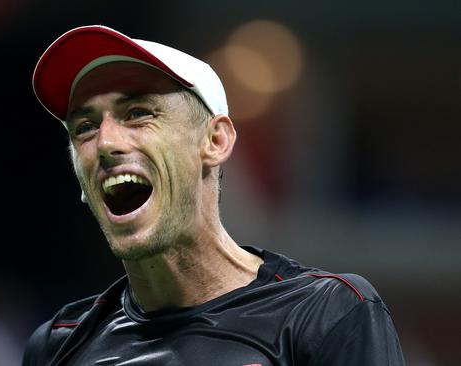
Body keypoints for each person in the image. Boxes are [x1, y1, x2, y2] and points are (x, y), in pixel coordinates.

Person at [24, 25, 405, 366]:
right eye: (85, 127)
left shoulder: (325, 315)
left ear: (215, 140)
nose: (106, 143)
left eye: (138, 113)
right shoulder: (58, 345)